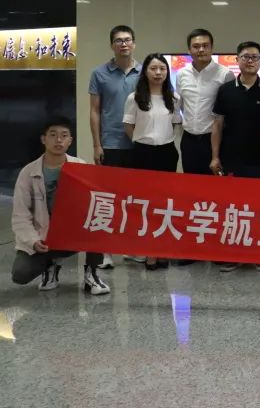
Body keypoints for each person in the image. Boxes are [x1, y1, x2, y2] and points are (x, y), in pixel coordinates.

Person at [10, 117, 110, 296]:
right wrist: (33, 241)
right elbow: (20, 216)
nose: (58, 140)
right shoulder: (27, 173)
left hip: (73, 234)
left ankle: (92, 273)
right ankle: (50, 266)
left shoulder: (81, 167)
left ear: (70, 140)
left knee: (99, 220)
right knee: (20, 274)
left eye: (64, 136)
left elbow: (94, 205)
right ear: (43, 139)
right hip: (43, 238)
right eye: (53, 135)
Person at [210, 42, 260, 272]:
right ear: (237, 60)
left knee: (259, 209)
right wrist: (215, 157)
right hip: (232, 159)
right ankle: (232, 255)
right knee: (233, 209)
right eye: (245, 57)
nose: (250, 61)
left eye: (255, 57)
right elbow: (217, 125)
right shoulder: (225, 90)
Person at [123, 53, 183, 270]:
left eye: (162, 69)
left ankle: (162, 250)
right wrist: (141, 142)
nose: (158, 73)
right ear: (145, 72)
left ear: (167, 72)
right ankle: (149, 251)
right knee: (146, 203)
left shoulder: (173, 98)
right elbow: (128, 126)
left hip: (166, 152)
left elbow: (175, 124)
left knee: (165, 203)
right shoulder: (135, 98)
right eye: (153, 68)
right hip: (142, 153)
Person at [88, 24, 140, 269]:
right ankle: (106, 251)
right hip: (110, 144)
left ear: (134, 43)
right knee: (108, 198)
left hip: (139, 144)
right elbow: (94, 111)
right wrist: (96, 144)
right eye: (118, 40)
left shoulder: (145, 71)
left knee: (134, 199)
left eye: (127, 39)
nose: (123, 44)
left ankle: (130, 248)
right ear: (112, 45)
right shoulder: (99, 73)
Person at [176, 29, 232, 176]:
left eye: (205, 45)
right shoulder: (182, 74)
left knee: (215, 184)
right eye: (196, 46)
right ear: (189, 50)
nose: (201, 49)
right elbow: (181, 104)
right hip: (188, 139)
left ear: (212, 48)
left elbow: (229, 112)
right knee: (191, 182)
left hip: (214, 141)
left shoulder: (225, 74)